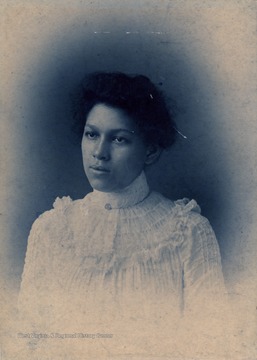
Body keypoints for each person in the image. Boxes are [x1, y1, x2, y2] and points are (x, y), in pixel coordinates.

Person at [18, 72, 226, 357]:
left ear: (150, 151)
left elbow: (214, 344)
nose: (99, 153)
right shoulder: (52, 230)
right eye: (92, 135)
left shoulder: (188, 232)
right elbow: (28, 343)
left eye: (119, 140)